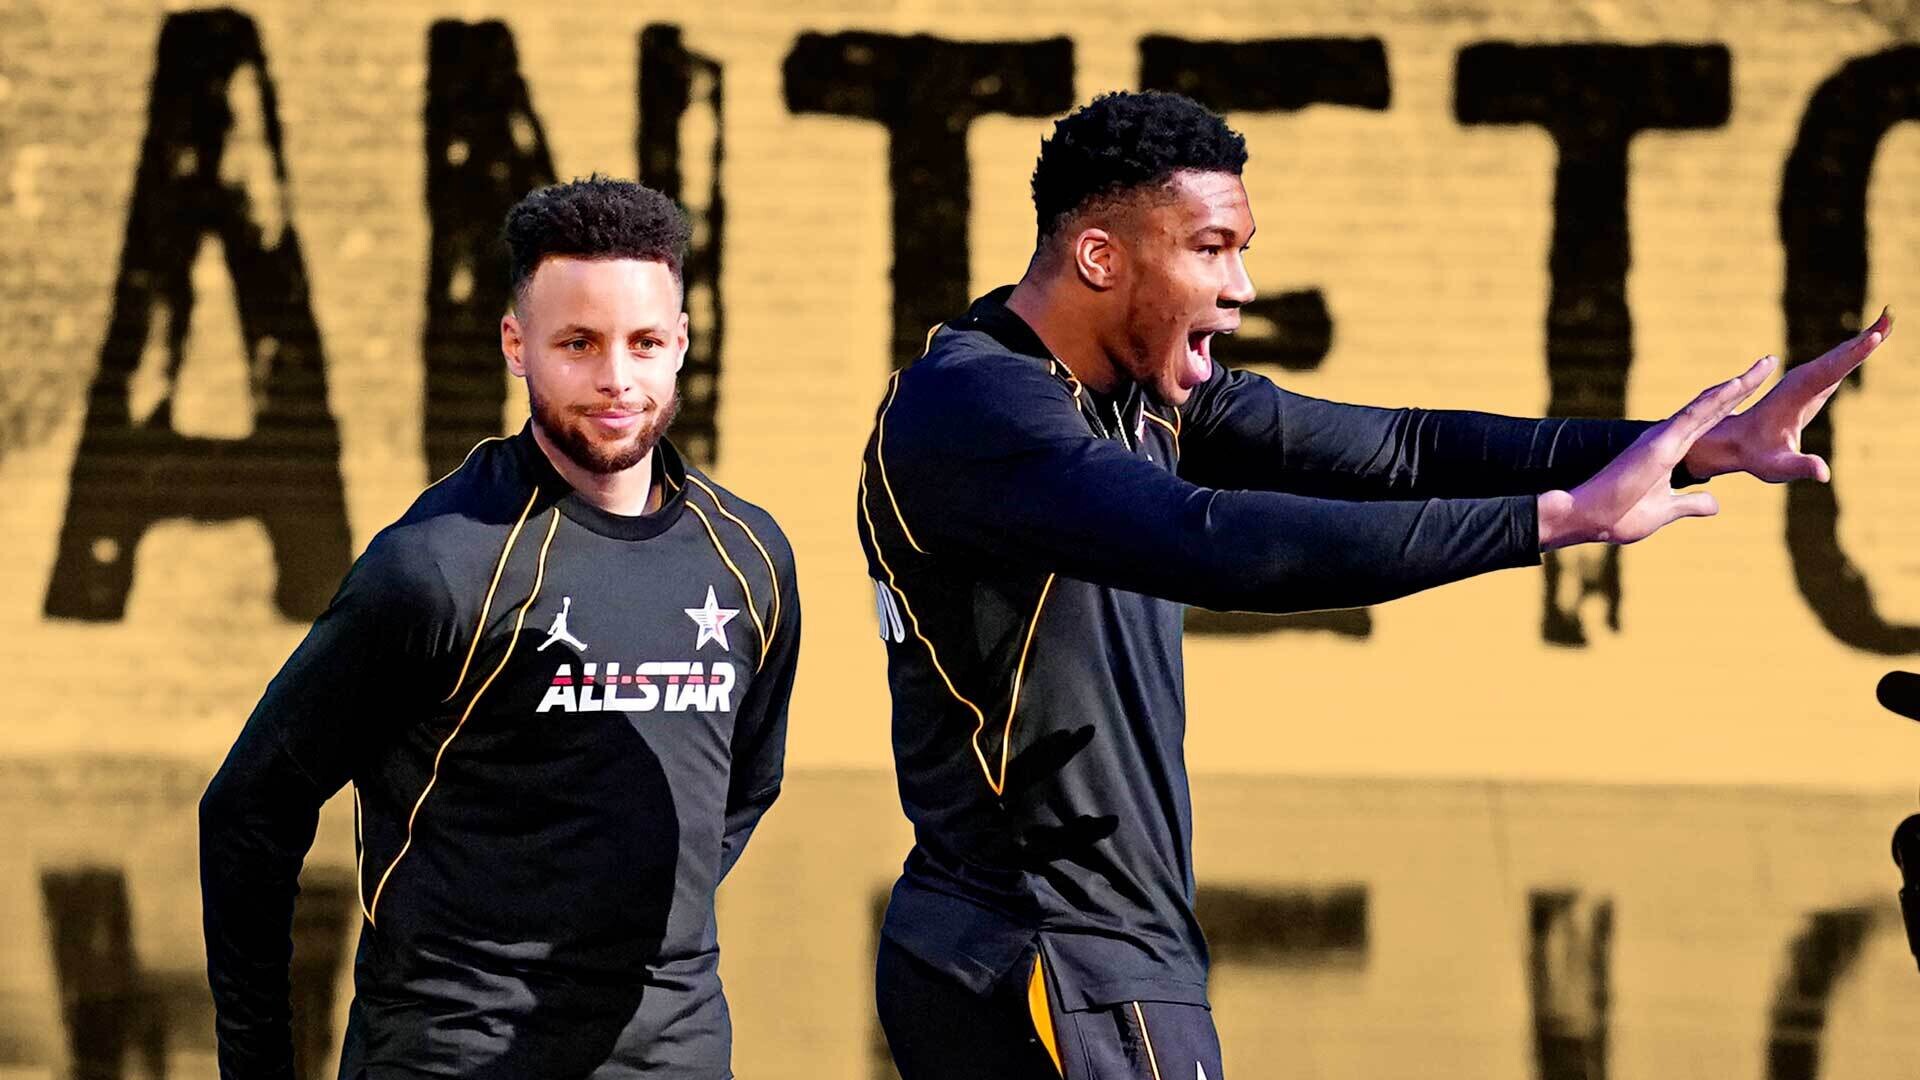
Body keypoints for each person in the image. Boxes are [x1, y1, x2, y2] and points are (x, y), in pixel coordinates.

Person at [858, 91, 1889, 1080]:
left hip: (1075, 949)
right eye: (1210, 249)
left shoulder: (1137, 396)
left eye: (1242, 250)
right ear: (1100, 257)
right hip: (1050, 951)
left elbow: (1404, 449)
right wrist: (1557, 521)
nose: (1241, 286)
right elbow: (1210, 542)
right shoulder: (978, 408)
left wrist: (1699, 447)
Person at [201, 177, 799, 1079]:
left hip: (675, 1054)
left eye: (644, 342)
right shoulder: (438, 566)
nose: (616, 378)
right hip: (451, 1051)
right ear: (517, 345)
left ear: (681, 342)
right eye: (578, 343)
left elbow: (743, 785)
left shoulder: (749, 557)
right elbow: (250, 809)